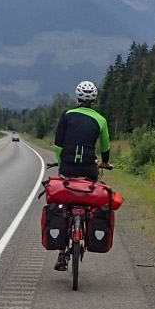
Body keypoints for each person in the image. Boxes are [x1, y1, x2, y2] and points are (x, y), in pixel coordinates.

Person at [51, 80, 111, 271]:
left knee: (65, 202)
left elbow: (58, 145)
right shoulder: (101, 120)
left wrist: (62, 163)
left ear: (77, 97)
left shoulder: (67, 115)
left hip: (67, 167)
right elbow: (105, 147)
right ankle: (86, 223)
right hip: (89, 169)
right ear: (94, 99)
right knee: (88, 196)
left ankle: (62, 253)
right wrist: (105, 162)